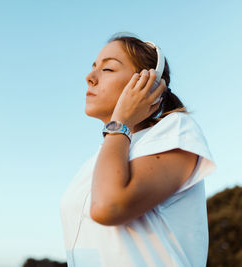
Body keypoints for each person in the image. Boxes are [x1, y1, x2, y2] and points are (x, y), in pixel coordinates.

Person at [59, 33, 217, 267]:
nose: (90, 77)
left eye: (108, 69)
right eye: (93, 67)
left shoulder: (176, 131)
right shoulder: (102, 156)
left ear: (147, 83)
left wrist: (119, 122)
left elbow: (108, 207)